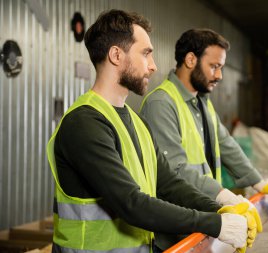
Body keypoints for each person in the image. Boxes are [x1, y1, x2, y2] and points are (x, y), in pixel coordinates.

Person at [47, 10, 255, 253]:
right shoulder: (84, 123)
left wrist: (220, 206)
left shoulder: (136, 122)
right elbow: (131, 203)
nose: (154, 66)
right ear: (116, 55)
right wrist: (215, 223)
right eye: (146, 53)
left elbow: (167, 184)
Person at [140, 28, 268, 250]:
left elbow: (226, 143)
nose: (219, 75)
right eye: (214, 66)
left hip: (202, 220)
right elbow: (175, 170)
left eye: (221, 67)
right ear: (190, 59)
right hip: (174, 231)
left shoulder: (202, 102)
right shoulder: (161, 104)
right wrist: (224, 197)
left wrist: (258, 181)